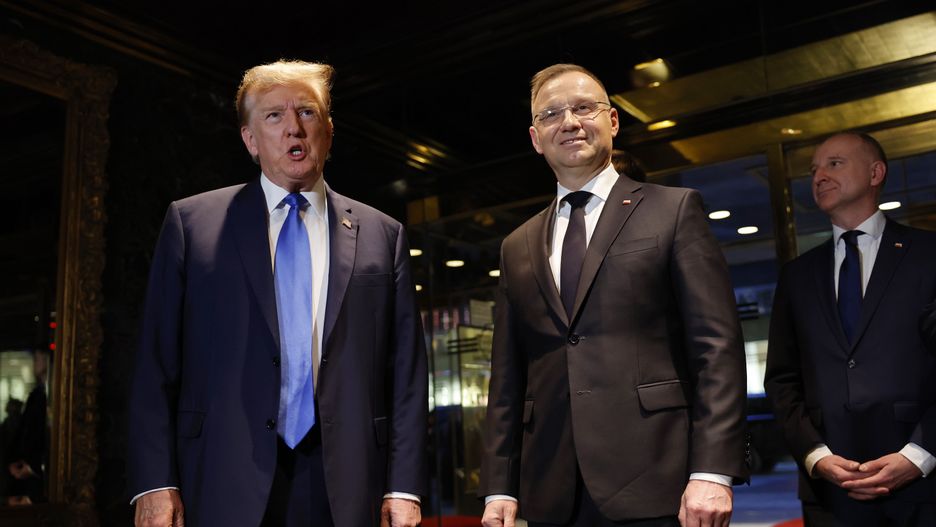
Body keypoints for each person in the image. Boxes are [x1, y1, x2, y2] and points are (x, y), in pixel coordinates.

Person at [128, 60, 428, 527]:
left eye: (307, 113)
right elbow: (155, 363)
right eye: (274, 116)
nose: (294, 128)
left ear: (328, 130)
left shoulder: (381, 234)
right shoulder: (192, 224)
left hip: (347, 483)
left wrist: (404, 486)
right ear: (250, 139)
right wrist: (154, 481)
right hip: (223, 474)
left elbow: (406, 373)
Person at [479, 63, 748, 527]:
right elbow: (507, 378)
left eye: (584, 108)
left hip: (659, 479)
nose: (569, 122)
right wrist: (499, 486)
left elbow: (716, 349)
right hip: (551, 489)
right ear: (535, 137)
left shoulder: (673, 211)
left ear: (613, 121)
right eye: (551, 114)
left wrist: (713, 470)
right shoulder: (516, 244)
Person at [765, 132, 936, 526]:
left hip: (925, 489)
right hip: (831, 494)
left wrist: (919, 455)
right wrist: (815, 456)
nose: (819, 176)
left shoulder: (929, 256)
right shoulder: (796, 276)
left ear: (876, 172)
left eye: (834, 163)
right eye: (813, 170)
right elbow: (782, 379)